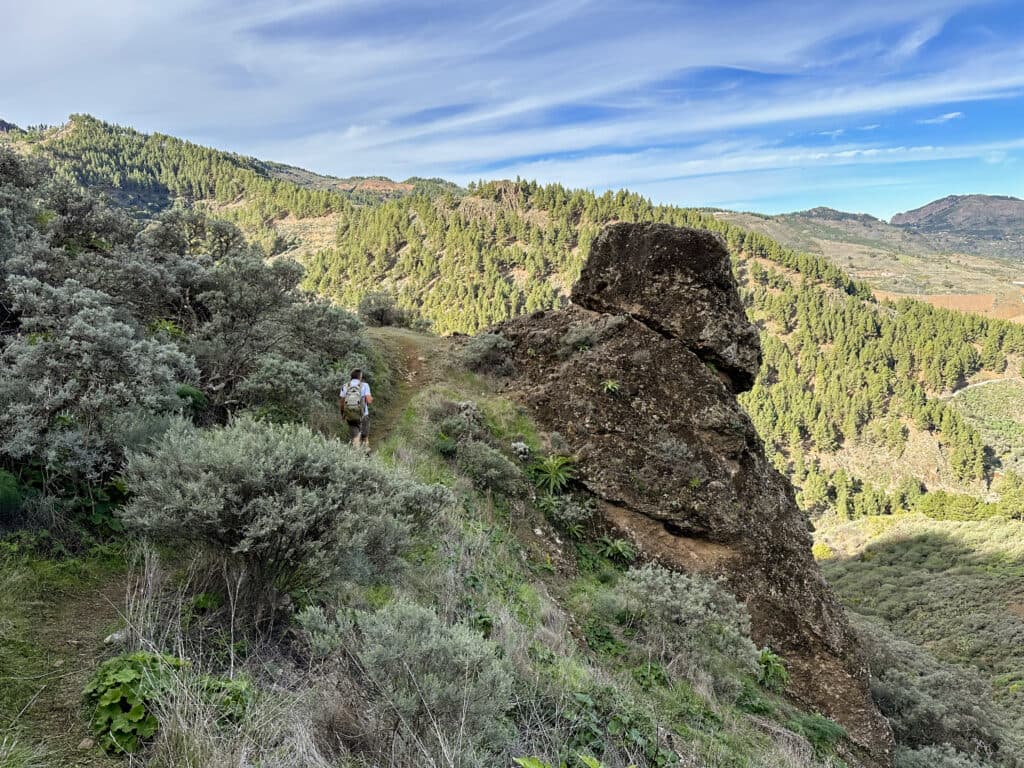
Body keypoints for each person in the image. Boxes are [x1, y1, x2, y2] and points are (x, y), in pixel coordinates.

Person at [340, 369, 373, 449]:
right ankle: (366, 456)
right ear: (360, 376)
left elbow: (342, 402)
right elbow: (369, 400)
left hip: (350, 415)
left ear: (351, 376)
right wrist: (371, 399)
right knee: (365, 437)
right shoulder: (365, 385)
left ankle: (357, 457)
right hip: (363, 415)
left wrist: (343, 414)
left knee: (355, 437)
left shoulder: (345, 386)